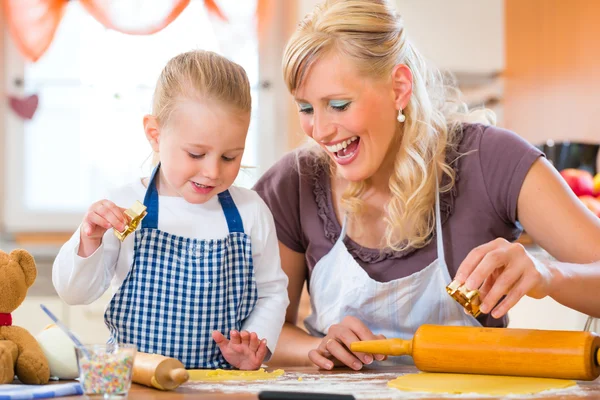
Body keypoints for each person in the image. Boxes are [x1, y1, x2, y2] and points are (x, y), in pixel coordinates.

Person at [253, 0, 600, 370]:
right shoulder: (294, 182)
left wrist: (548, 274)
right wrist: (314, 347)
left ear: (399, 88)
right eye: (306, 109)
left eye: (338, 105)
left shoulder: (490, 160)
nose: (319, 131)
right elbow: (265, 329)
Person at [53, 50, 289, 370]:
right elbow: (74, 294)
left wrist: (253, 343)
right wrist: (89, 240)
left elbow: (272, 293)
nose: (212, 172)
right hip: (138, 382)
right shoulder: (126, 206)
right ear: (155, 134)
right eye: (196, 153)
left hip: (221, 387)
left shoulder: (251, 212)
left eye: (230, 157)